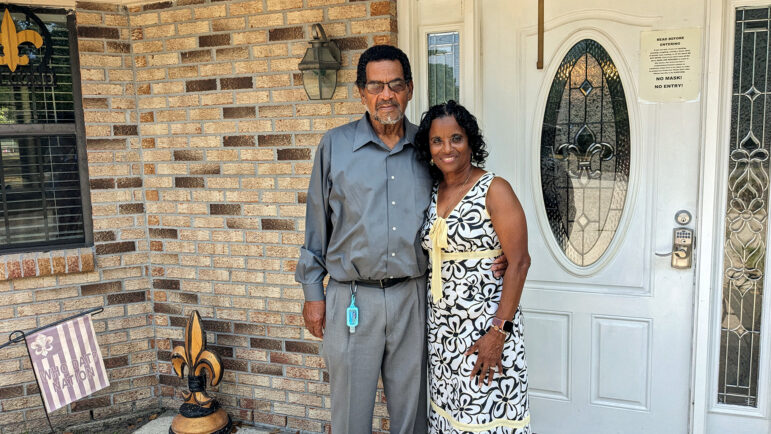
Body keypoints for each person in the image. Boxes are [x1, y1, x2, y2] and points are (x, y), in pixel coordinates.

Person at [415, 100, 531, 433]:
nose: (446, 148)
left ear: (471, 142)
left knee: (485, 414)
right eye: (437, 141)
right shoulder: (434, 190)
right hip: (443, 330)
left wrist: (498, 333)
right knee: (450, 414)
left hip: (485, 326)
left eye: (456, 138)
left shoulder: (494, 189)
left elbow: (519, 262)